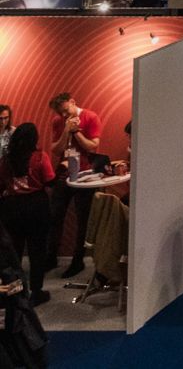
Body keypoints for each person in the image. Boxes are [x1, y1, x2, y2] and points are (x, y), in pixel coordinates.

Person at [45, 93, 102, 278]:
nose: (63, 115)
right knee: (55, 216)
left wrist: (76, 132)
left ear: (73, 102)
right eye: (60, 113)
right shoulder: (58, 121)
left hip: (86, 174)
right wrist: (65, 131)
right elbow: (56, 149)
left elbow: (93, 146)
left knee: (82, 218)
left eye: (65, 110)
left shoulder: (90, 117)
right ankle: (50, 257)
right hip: (64, 173)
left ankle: (78, 261)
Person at [0, 123, 52, 305]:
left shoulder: (6, 160)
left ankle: (16, 292)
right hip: (37, 207)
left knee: (14, 252)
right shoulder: (39, 157)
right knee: (37, 252)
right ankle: (36, 292)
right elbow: (49, 180)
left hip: (12, 209)